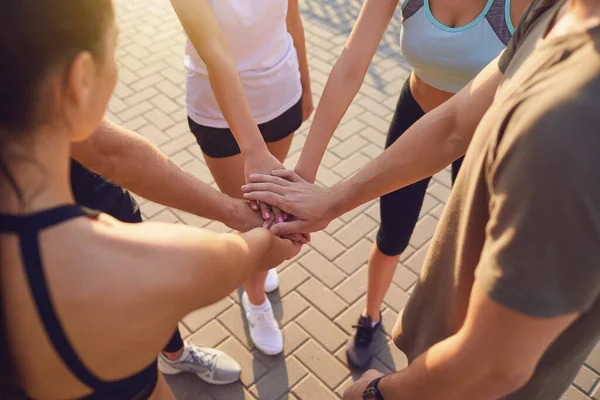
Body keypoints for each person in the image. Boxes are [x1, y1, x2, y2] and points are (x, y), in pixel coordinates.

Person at [243, 0, 600, 397]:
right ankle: (370, 316)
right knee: (393, 236)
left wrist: (380, 394)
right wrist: (314, 187)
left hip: (476, 382)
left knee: (481, 267)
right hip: (425, 124)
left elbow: (496, 366)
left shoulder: (577, 115)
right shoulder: (556, 13)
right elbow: (451, 121)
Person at [0, 1, 301, 399]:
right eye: (115, 49)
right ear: (80, 80)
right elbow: (239, 257)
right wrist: (270, 239)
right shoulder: (134, 268)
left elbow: (110, 151)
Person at [70, 118, 269, 386]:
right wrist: (260, 238)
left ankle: (174, 355)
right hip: (59, 258)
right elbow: (112, 151)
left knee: (146, 292)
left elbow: (110, 149)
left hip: (99, 201)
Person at [182, 0, 312, 355]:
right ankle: (255, 302)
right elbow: (214, 52)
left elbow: (292, 17)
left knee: (266, 213)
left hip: (281, 96)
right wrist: (252, 147)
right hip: (217, 114)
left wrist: (304, 80)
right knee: (253, 220)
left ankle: (256, 269)